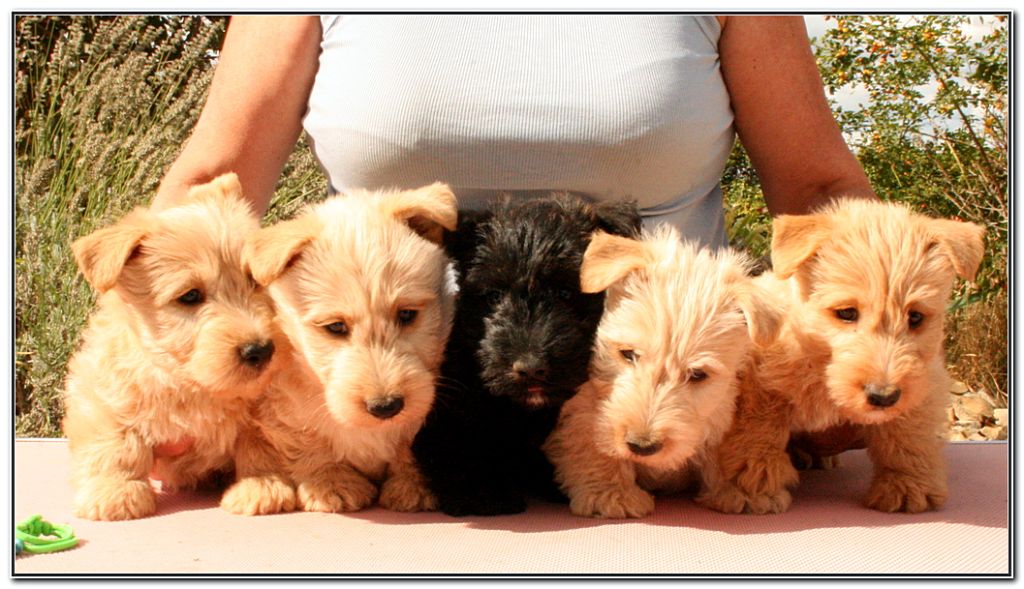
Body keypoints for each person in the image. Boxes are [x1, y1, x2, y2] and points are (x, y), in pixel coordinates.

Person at [152, 14, 876, 247]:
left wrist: (863, 352)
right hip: (375, 441)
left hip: (674, 434)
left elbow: (819, 189)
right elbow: (211, 186)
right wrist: (151, 379)